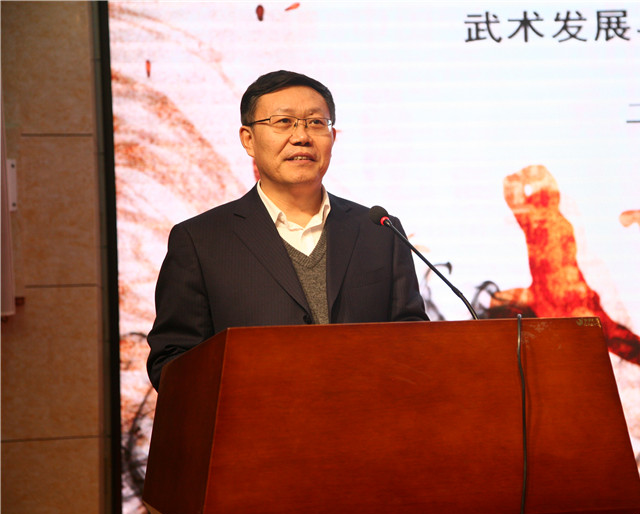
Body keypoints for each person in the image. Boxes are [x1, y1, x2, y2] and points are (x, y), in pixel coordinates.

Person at [146, 70, 428, 390]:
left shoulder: (380, 231)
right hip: (254, 419)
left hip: (367, 418)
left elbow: (414, 342)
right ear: (248, 140)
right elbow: (172, 361)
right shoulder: (200, 241)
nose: (301, 136)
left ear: (333, 138)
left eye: (316, 122)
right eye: (283, 122)